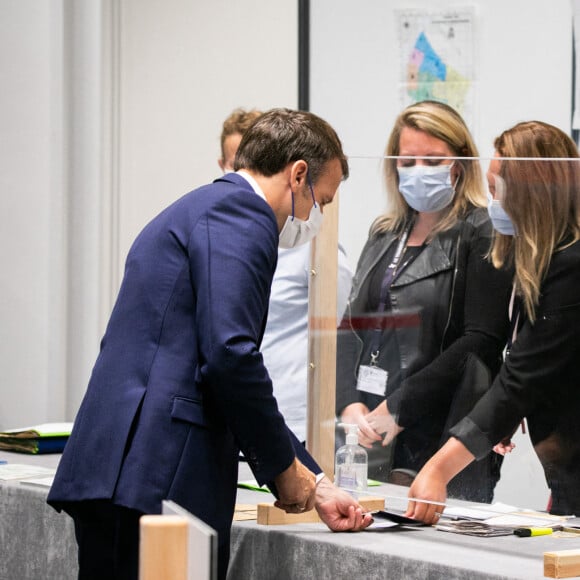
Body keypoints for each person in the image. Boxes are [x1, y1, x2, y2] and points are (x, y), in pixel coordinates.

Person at [47, 108, 372, 580]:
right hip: (158, 472)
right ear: (297, 174)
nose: (314, 219)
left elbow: (211, 358)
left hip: (120, 469)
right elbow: (229, 357)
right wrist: (285, 469)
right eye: (321, 201)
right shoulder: (244, 215)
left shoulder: (198, 207)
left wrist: (316, 482)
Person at [405, 120, 580, 524]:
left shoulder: (570, 266)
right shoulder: (542, 260)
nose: (491, 201)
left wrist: (437, 470)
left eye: (498, 189)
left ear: (533, 194)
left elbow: (520, 378)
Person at [335, 100, 512, 502]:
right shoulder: (384, 231)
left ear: (459, 164)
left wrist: (399, 408)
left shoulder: (481, 231)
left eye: (433, 160)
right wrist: (347, 402)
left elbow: (479, 342)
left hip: (440, 431)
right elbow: (351, 324)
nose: (418, 170)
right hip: (366, 430)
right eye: (408, 160)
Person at [219, 108, 353, 443]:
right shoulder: (223, 239)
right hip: (242, 416)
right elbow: (229, 349)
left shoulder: (316, 253)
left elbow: (336, 338)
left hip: (291, 418)